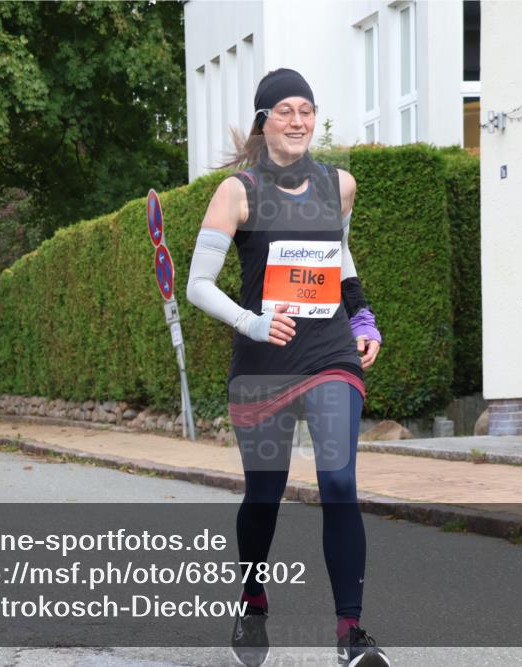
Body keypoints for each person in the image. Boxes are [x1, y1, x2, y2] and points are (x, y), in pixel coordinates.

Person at [186, 68, 388, 667]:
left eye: (307, 110)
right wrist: (251, 322)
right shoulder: (237, 192)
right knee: (264, 496)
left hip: (329, 351)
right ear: (263, 121)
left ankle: (350, 636)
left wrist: (362, 318)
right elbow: (198, 285)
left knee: (340, 481)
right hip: (264, 360)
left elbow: (338, 255)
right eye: (286, 111)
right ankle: (252, 600)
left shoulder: (339, 186)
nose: (299, 121)